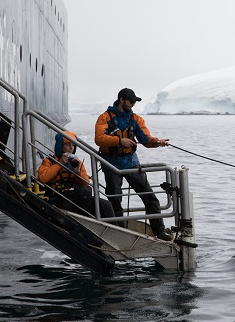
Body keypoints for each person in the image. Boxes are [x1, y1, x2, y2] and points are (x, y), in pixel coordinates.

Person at [94, 88, 172, 241]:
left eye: (135, 102)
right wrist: (118, 141)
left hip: (131, 163)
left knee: (149, 197)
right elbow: (99, 138)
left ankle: (160, 231)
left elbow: (145, 139)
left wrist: (157, 142)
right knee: (115, 199)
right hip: (111, 164)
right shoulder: (104, 117)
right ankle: (119, 232)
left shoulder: (136, 119)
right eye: (131, 102)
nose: (133, 105)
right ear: (122, 100)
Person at [38, 131, 115, 219]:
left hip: (78, 199)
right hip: (59, 197)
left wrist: (78, 172)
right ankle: (86, 219)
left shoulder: (76, 162)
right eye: (67, 145)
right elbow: (42, 178)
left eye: (73, 145)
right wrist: (59, 164)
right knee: (84, 191)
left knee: (106, 205)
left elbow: (86, 183)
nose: (71, 148)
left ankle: (116, 229)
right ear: (60, 146)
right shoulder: (50, 161)